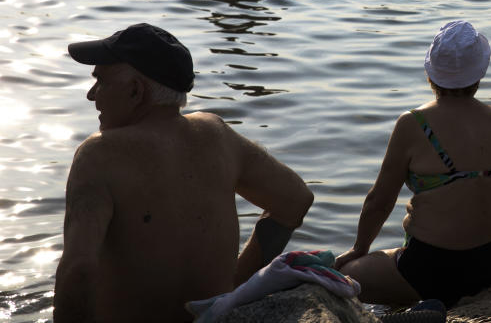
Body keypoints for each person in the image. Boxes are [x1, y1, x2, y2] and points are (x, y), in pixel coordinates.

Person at [53, 23, 314, 322]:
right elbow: (295, 200)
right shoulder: (217, 134)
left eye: (100, 81)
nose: (91, 95)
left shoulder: (97, 155)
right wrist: (234, 290)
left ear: (136, 90)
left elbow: (79, 268)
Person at [334, 21, 491, 308]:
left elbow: (380, 200)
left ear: (431, 73)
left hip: (430, 269)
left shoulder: (413, 123)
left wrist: (358, 248)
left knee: (343, 277)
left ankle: (414, 309)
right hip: (489, 265)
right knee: (396, 258)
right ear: (480, 73)